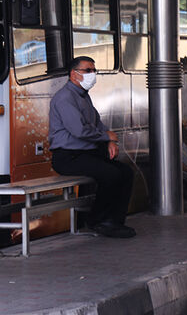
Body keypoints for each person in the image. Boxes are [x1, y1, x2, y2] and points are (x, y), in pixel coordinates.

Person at [48, 56, 136, 238]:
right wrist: (105, 137)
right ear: (74, 74)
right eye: (88, 71)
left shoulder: (83, 96)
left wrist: (109, 140)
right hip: (67, 157)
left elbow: (97, 123)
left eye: (93, 71)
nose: (92, 75)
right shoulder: (65, 98)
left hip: (85, 153)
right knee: (110, 174)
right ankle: (97, 220)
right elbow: (79, 130)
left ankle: (114, 221)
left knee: (126, 172)